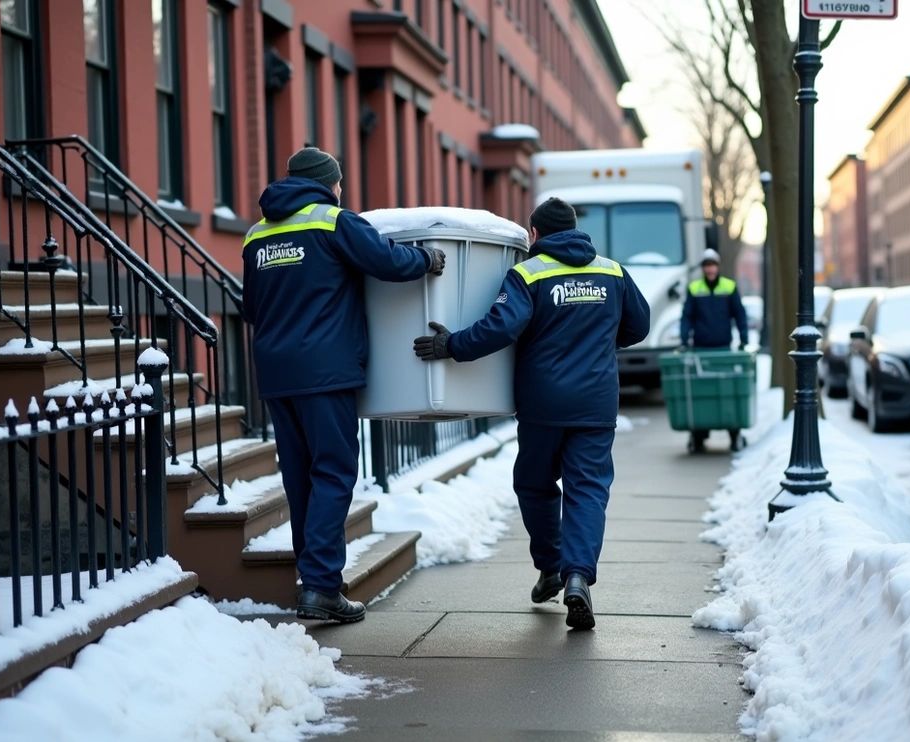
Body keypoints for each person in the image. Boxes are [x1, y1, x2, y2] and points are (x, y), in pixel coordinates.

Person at [412, 198, 649, 631]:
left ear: (534, 235)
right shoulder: (612, 271)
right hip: (596, 404)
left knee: (534, 484)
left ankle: (551, 566)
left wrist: (453, 346)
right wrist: (597, 344)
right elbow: (639, 325)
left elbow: (500, 327)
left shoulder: (528, 274)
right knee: (588, 490)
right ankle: (577, 575)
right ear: (576, 230)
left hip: (544, 405)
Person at [242, 147, 445, 623]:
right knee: (333, 472)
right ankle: (320, 587)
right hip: (325, 370)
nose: (340, 191)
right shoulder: (334, 220)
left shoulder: (257, 233)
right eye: (339, 184)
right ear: (329, 183)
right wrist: (427, 259)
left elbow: (251, 308)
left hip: (276, 373)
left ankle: (311, 578)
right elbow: (388, 261)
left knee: (299, 476)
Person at [678, 248, 749, 452]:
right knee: (702, 393)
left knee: (727, 393)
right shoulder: (694, 289)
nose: (710, 269)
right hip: (700, 349)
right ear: (703, 269)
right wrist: (684, 340)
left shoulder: (729, 287)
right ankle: (698, 436)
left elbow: (740, 314)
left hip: (723, 349)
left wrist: (743, 339)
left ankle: (734, 434)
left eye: (713, 265)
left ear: (718, 267)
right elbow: (687, 317)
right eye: (707, 266)